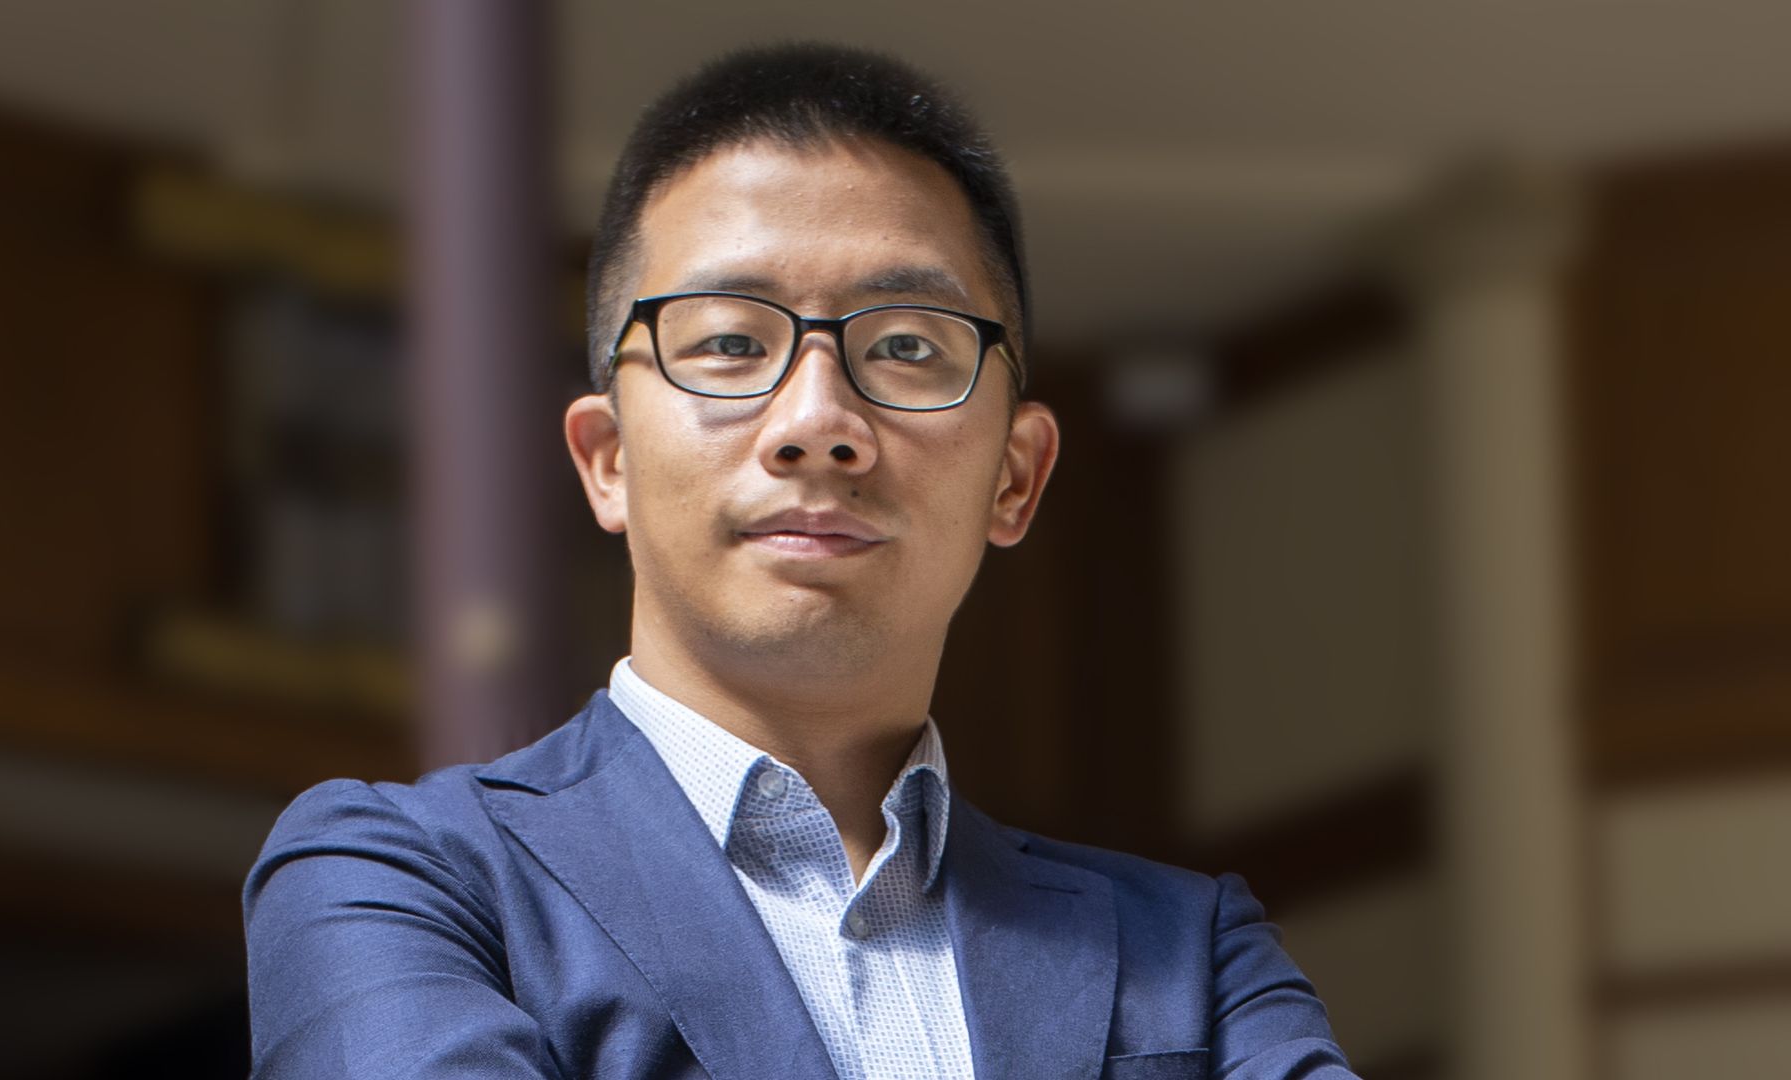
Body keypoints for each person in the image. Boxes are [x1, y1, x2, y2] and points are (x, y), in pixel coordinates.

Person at [244, 43, 1357, 1080]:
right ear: (608, 460)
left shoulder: (1189, 956)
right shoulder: (401, 883)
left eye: (908, 348)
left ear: (1015, 477)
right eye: (731, 343)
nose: (817, 421)